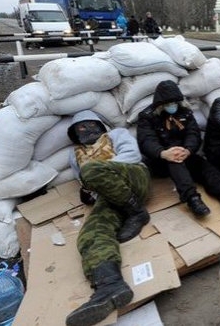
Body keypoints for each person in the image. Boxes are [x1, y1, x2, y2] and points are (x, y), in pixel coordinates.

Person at [65, 110, 151, 326]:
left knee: (91, 171)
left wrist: (98, 172)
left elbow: (132, 155)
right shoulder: (74, 154)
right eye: (80, 128)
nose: (86, 130)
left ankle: (137, 212)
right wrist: (90, 192)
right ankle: (109, 286)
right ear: (74, 134)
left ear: (100, 125)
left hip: (134, 177)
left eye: (90, 125)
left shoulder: (117, 134)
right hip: (111, 194)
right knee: (90, 233)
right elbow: (82, 180)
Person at [136, 80, 220, 218]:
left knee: (207, 169)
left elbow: (193, 133)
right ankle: (193, 199)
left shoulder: (185, 112)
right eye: (169, 104)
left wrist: (188, 149)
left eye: (175, 103)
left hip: (185, 153)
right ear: (161, 104)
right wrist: (163, 153)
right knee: (175, 161)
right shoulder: (147, 116)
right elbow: (146, 140)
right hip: (160, 159)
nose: (172, 106)